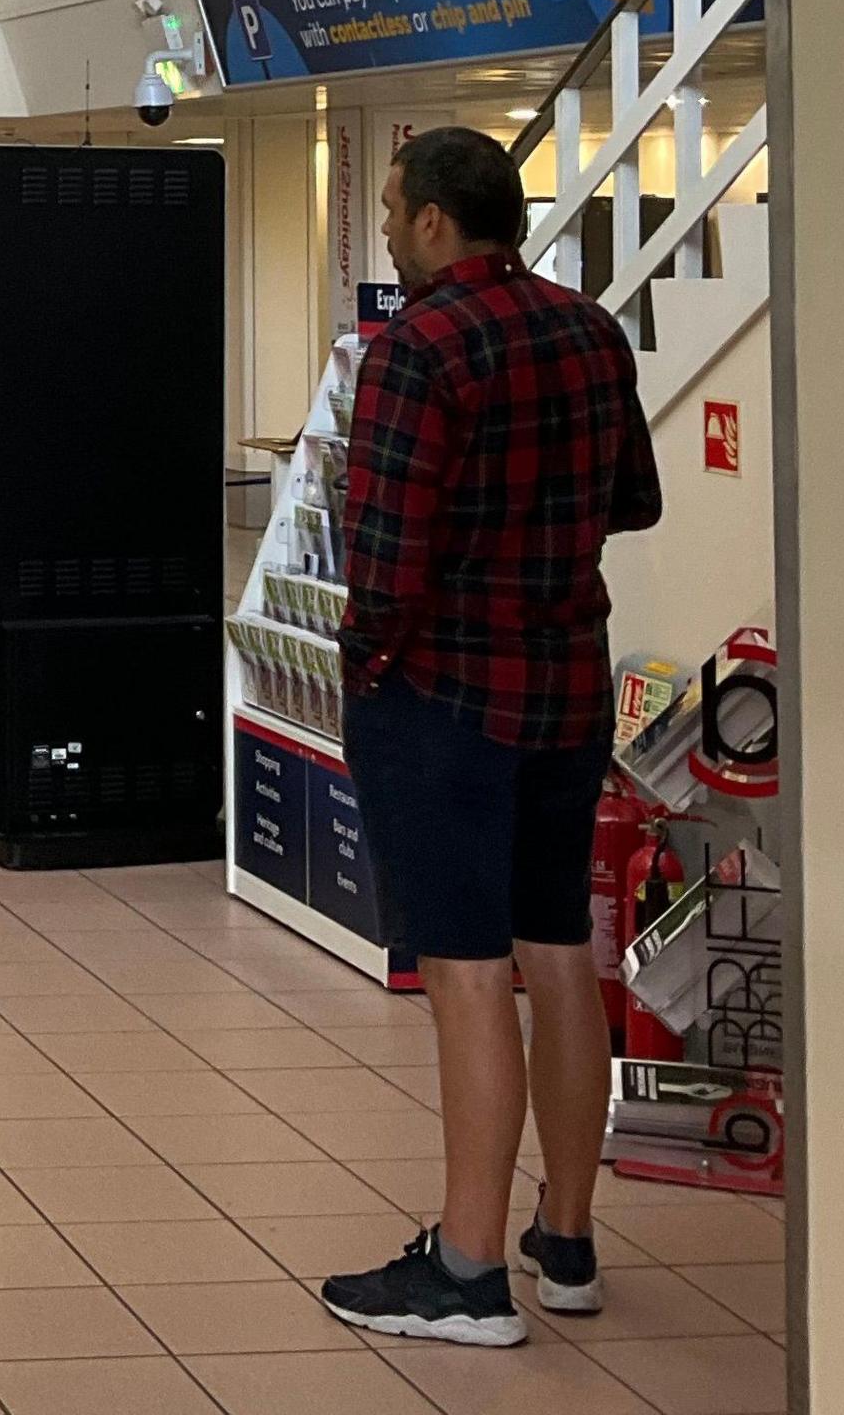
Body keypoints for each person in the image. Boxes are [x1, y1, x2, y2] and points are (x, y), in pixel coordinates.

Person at [318, 126, 662, 1348]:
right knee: (560, 952)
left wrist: (367, 662)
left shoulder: (416, 350)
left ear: (428, 223)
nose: (390, 236)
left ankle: (466, 1270)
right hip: (566, 688)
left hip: (445, 704)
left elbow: (387, 558)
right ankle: (565, 1238)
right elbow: (637, 498)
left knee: (465, 975)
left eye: (393, 213)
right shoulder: (590, 329)